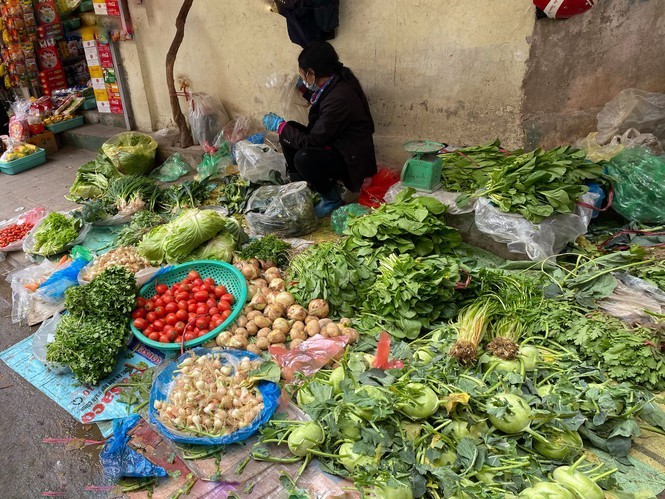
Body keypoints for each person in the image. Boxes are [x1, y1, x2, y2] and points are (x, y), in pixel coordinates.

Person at [263, 41, 377, 218]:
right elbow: (320, 99)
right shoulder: (334, 82)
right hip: (337, 143)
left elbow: (312, 141)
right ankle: (300, 188)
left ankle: (331, 199)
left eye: (302, 74)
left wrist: (279, 125)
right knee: (290, 131)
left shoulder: (340, 97)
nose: (302, 77)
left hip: (350, 158)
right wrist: (301, 88)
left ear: (312, 73)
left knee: (304, 156)